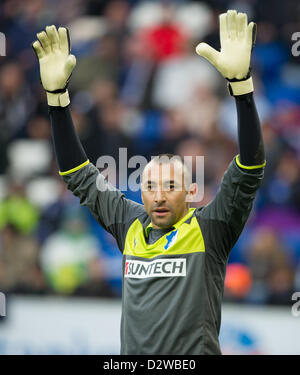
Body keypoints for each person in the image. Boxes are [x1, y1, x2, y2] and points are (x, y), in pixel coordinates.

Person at [32, 10, 266, 355]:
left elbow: (250, 167)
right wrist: (57, 99)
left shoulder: (212, 227)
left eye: (170, 187)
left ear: (190, 192)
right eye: (151, 186)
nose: (159, 196)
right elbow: (76, 172)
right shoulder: (130, 223)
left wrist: (242, 89)